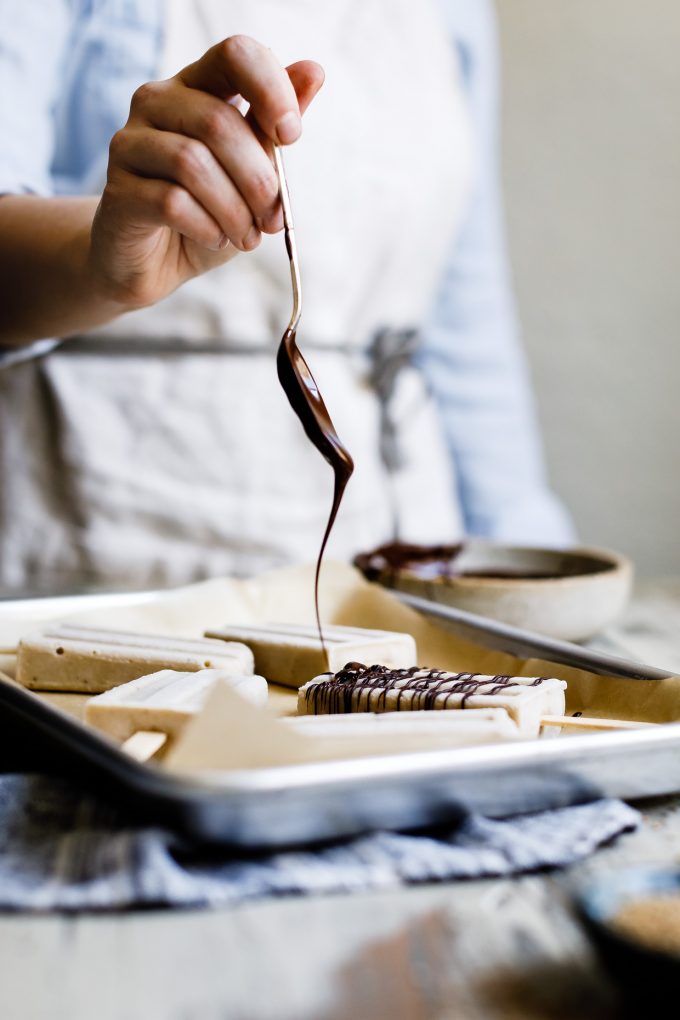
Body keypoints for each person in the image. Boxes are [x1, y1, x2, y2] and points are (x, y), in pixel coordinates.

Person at [0, 0, 573, 594]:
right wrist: (105, 267)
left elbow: (461, 340)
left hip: (398, 559)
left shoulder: (458, 14)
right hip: (104, 559)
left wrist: (540, 577)